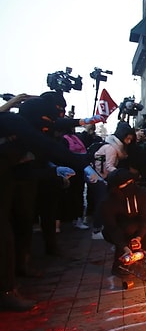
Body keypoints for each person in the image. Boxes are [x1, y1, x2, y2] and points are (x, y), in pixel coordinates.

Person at [0, 107, 102, 311]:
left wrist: (54, 170)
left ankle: (12, 279)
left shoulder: (27, 135)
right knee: (3, 237)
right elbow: (46, 146)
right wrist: (82, 165)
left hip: (7, 180)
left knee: (11, 233)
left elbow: (25, 172)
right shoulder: (14, 123)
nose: (47, 128)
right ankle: (6, 292)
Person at [101, 169, 146, 277]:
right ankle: (122, 257)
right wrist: (124, 246)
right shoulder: (108, 200)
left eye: (130, 182)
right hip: (120, 231)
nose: (129, 186)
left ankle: (138, 249)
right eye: (125, 184)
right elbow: (112, 228)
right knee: (128, 230)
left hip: (140, 230)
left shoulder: (142, 193)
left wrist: (139, 237)